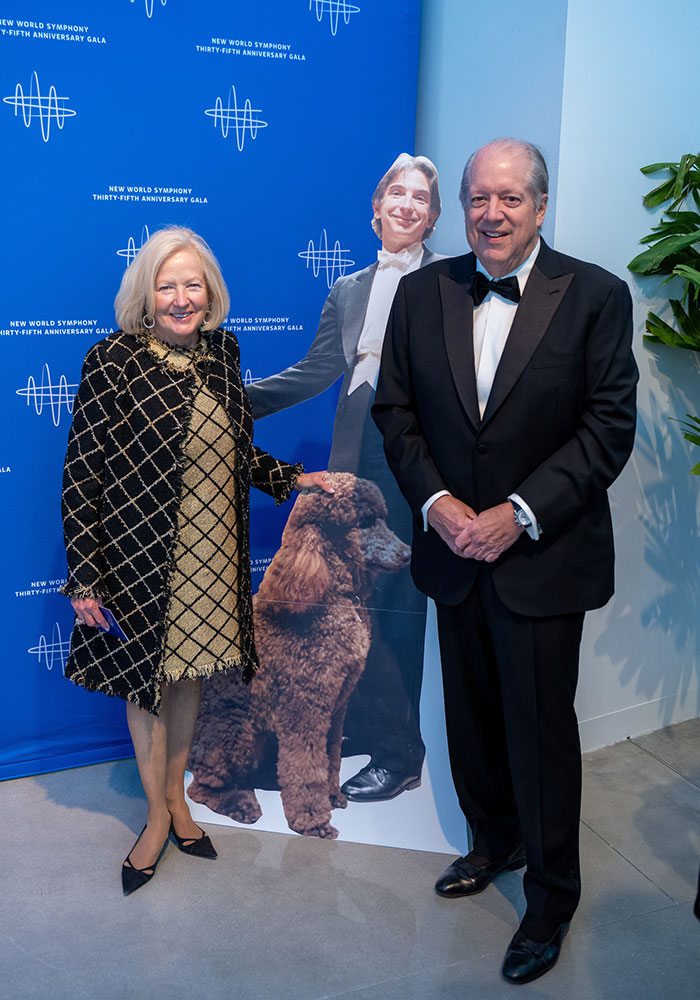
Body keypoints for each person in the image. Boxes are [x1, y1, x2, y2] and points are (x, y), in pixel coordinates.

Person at [372, 139, 638, 983]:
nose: (492, 213)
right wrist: (440, 505)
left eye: (510, 199)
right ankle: (495, 842)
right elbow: (396, 413)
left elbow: (607, 427)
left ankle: (552, 898)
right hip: (453, 550)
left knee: (540, 733)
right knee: (472, 719)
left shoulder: (596, 295)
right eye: (479, 198)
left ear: (541, 205)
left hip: (542, 556)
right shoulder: (422, 294)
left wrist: (516, 516)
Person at [61, 226, 330, 896]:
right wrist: (86, 573)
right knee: (147, 687)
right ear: (146, 294)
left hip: (213, 555)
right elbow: (81, 474)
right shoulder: (113, 360)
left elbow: (229, 449)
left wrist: (287, 479)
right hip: (142, 558)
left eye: (193, 283)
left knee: (187, 680)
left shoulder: (223, 352)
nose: (181, 297)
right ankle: (156, 816)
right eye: (166, 283)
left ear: (210, 291)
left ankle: (178, 801)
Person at [246, 154, 443, 802]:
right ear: (377, 209)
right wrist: (231, 401)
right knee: (346, 603)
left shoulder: (452, 283)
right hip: (352, 450)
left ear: (433, 216)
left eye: (421, 198)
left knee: (398, 607)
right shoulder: (350, 289)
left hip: (412, 451)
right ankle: (360, 730)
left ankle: (399, 754)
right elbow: (316, 370)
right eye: (397, 194)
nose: (407, 205)